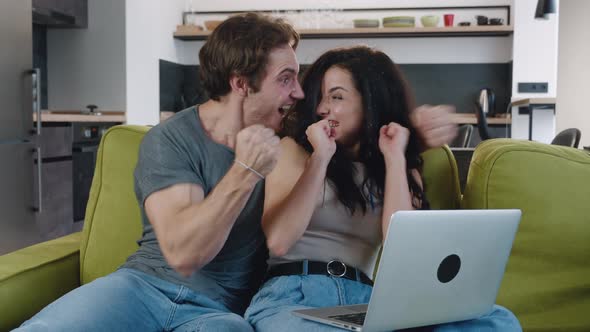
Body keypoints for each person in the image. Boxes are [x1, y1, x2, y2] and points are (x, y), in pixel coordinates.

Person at [16, 13, 456, 331]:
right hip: (141, 287)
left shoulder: (290, 139)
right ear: (241, 84)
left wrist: (412, 131)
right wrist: (245, 169)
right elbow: (185, 253)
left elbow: (355, 128)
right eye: (287, 79)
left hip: (222, 313)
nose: (301, 94)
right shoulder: (172, 140)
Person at [244, 46, 521, 331]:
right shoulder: (294, 150)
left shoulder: (398, 161)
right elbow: (279, 240)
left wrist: (394, 158)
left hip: (367, 298)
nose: (321, 108)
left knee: (497, 321)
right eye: (319, 97)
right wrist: (320, 158)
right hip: (294, 294)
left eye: (336, 96)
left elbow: (402, 251)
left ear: (371, 102)